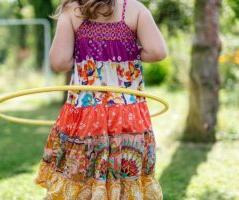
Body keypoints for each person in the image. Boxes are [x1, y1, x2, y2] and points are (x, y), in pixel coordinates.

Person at [34, 0, 167, 199]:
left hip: (87, 116)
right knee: (125, 180)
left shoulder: (72, 11)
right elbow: (157, 51)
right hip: (129, 114)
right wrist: (128, 52)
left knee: (83, 180)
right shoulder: (135, 9)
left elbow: (60, 62)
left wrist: (83, 57)